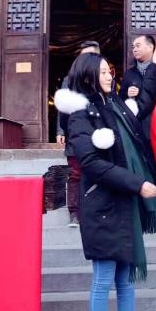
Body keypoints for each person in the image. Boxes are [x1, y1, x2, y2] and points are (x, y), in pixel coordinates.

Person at [54, 50, 156, 311]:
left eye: (110, 70)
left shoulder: (115, 105)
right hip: (102, 204)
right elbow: (91, 162)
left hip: (124, 202)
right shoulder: (80, 115)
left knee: (126, 279)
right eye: (103, 71)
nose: (110, 75)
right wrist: (136, 184)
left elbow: (143, 105)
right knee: (104, 277)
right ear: (89, 75)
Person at [120, 35, 156, 227]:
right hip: (137, 130)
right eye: (133, 46)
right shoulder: (129, 75)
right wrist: (127, 94)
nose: (134, 49)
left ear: (150, 47)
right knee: (142, 172)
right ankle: (148, 214)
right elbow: (121, 101)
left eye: (138, 45)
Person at [56, 40, 100, 228]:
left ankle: (93, 210)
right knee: (75, 174)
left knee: (97, 174)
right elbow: (63, 110)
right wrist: (60, 130)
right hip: (75, 137)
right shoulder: (69, 80)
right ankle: (74, 212)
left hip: (98, 137)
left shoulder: (104, 79)